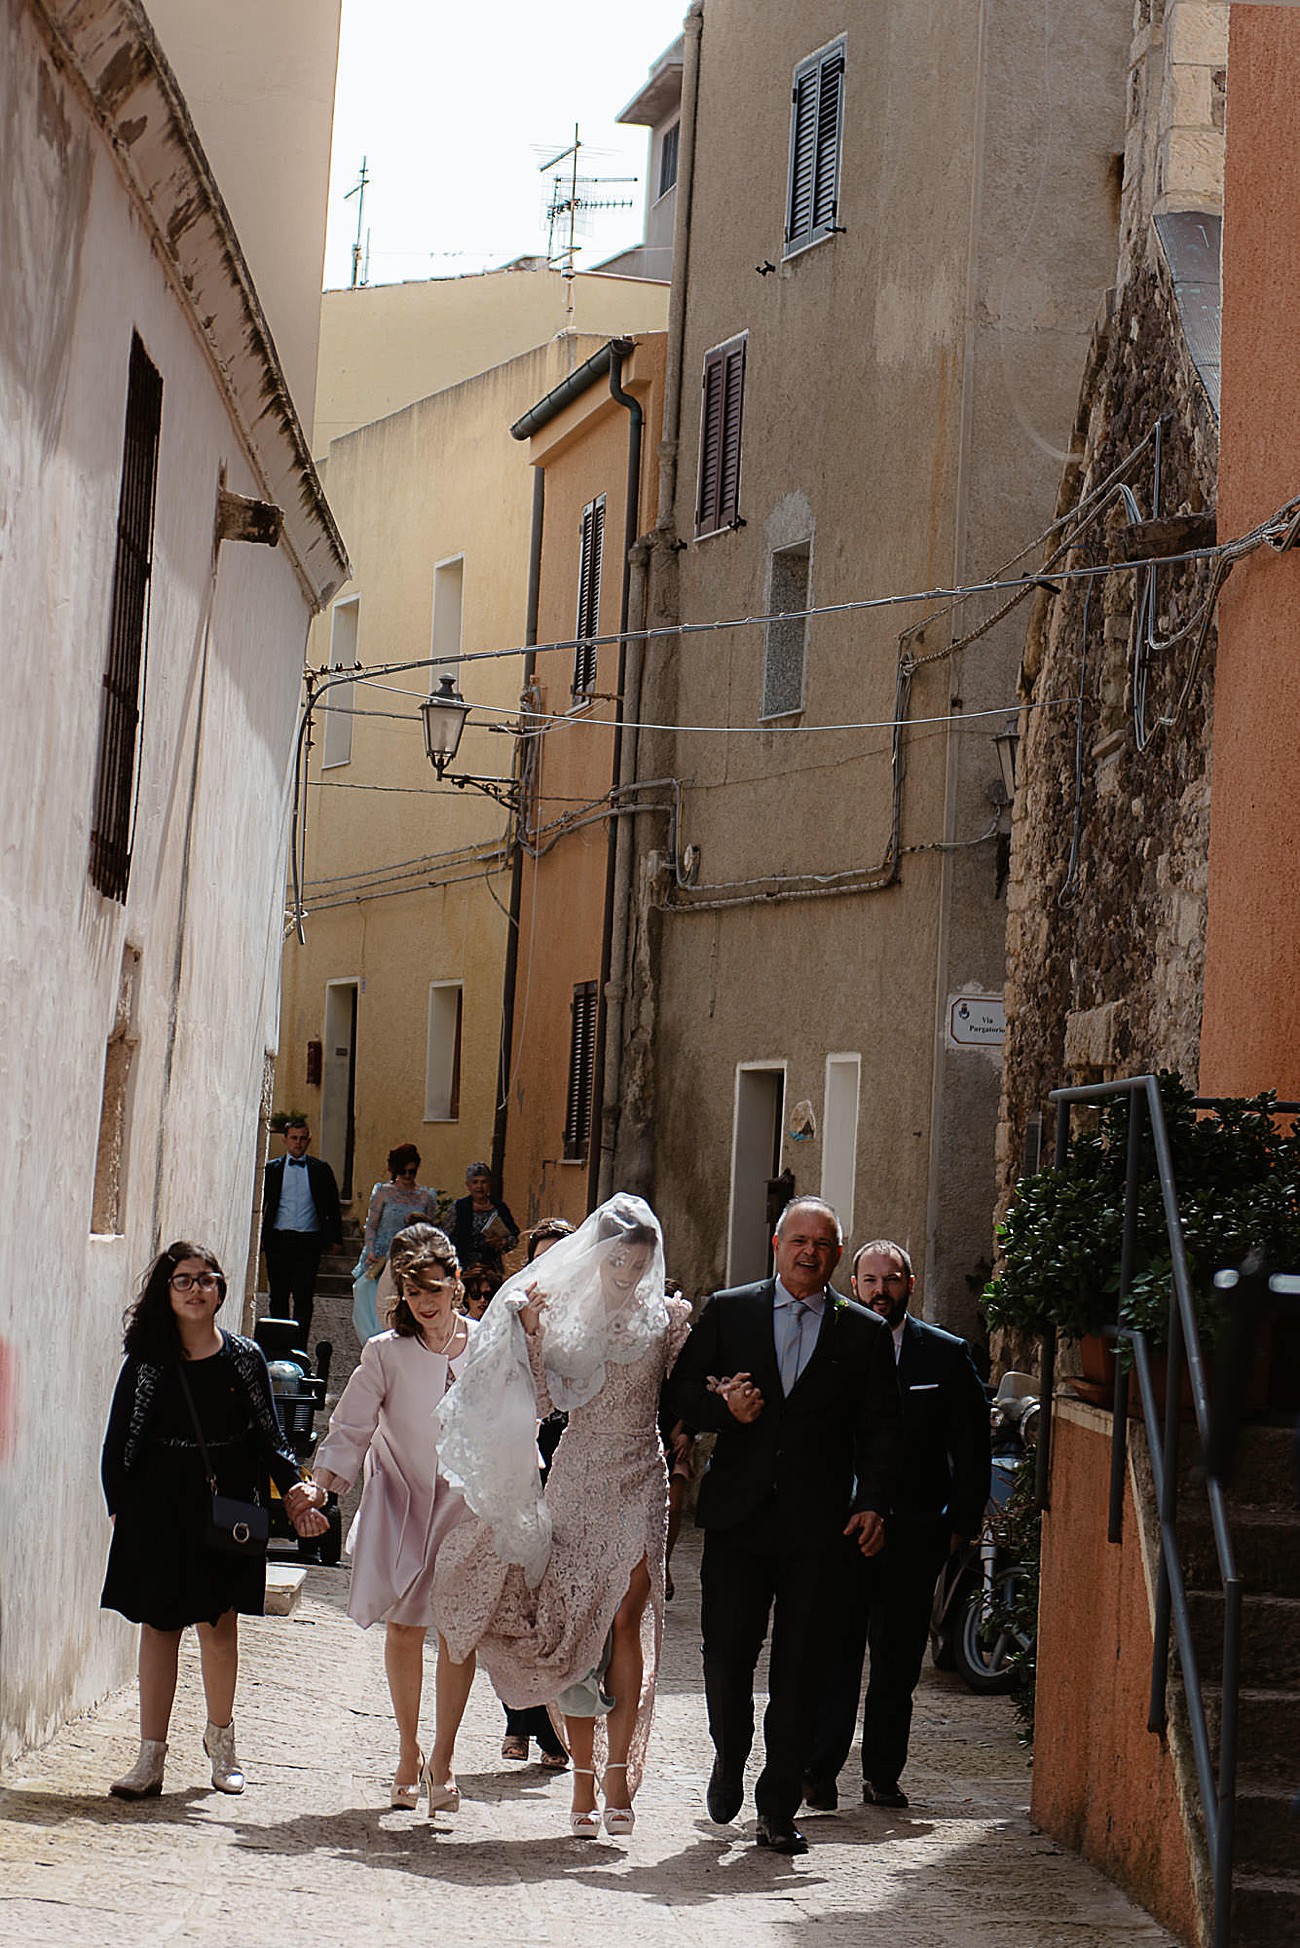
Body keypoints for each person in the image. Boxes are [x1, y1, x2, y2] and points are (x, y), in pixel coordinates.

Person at [432, 1194, 691, 1837]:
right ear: (598, 1257)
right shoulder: (565, 1321)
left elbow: (687, 1401)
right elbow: (545, 1405)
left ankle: (617, 1773)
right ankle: (581, 1774)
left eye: (639, 1262)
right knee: (579, 1628)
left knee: (627, 1615)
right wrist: (529, 1339)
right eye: (618, 1261)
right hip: (577, 1479)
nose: (628, 1273)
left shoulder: (671, 1321)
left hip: (641, 1477)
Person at [667, 1196, 904, 1854]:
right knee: (725, 1658)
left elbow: (882, 1430)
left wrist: (873, 1502)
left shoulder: (860, 1332)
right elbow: (680, 1395)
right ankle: (729, 1752)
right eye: (799, 1240)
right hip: (738, 1520)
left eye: (822, 1244)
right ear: (776, 1245)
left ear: (835, 1257)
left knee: (802, 1670)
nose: (809, 1252)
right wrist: (723, 1406)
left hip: (817, 1527)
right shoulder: (730, 1310)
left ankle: (777, 1806)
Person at [101, 1241, 328, 1799]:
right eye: (184, 1280)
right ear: (166, 1291)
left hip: (228, 1502)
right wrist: (120, 1510)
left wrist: (296, 1487)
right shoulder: (149, 1361)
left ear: (221, 1289)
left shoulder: (245, 1357)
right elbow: (118, 1444)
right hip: (159, 1504)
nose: (197, 1288)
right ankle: (149, 1757)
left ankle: (222, 1745)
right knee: (159, 1626)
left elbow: (270, 1436)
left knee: (220, 1624)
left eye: (206, 1278)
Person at [804, 1239, 991, 1812]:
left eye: (891, 1279)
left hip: (915, 1534)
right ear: (853, 1285)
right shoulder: (827, 1345)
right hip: (842, 1530)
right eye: (869, 1280)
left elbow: (972, 1443)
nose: (880, 1290)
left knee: (897, 1662)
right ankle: (820, 1772)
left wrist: (959, 1522)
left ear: (909, 1284)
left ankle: (882, 1775)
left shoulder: (944, 1354)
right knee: (835, 1654)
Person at [311, 1228, 477, 1815]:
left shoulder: (485, 1347)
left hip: (465, 1506)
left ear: (456, 1283)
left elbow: (516, 1418)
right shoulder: (384, 1351)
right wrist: (321, 1483)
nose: (425, 1302)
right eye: (412, 1292)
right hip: (403, 1497)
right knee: (405, 1628)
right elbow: (352, 1424)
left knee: (458, 1632)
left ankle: (445, 1757)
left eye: (434, 1288)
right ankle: (408, 1750)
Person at [499, 1218, 574, 1770]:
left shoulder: (590, 1318)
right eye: (541, 1259)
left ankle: (549, 1724)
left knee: (556, 1602)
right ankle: (519, 1722)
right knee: (517, 1596)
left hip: (575, 1464)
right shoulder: (509, 1316)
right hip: (521, 1461)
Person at [261, 1119, 342, 1351]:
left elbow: (332, 1206)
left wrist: (335, 1238)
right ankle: (278, 1347)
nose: (298, 1143)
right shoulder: (273, 1169)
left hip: (308, 1241)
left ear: (309, 1140)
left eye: (303, 1138)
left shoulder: (320, 1170)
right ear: (285, 1139)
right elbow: (262, 1203)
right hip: (279, 1239)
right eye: (294, 1138)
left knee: (304, 1298)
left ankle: (298, 1348)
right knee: (277, 1296)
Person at [352, 1145, 443, 1343]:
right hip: (383, 1257)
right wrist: (370, 1250)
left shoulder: (426, 1197)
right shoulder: (384, 1193)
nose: (408, 1175)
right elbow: (371, 1226)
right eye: (403, 1171)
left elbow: (429, 1230)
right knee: (376, 1302)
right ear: (395, 1170)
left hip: (411, 1258)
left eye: (412, 1171)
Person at [450, 1162, 519, 1276]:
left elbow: (515, 1237)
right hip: (464, 1267)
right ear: (468, 1185)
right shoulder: (458, 1207)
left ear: (489, 1184)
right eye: (475, 1182)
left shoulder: (499, 1207)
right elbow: (446, 1237)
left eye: (484, 1182)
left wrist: (502, 1242)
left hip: (491, 1267)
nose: (479, 1186)